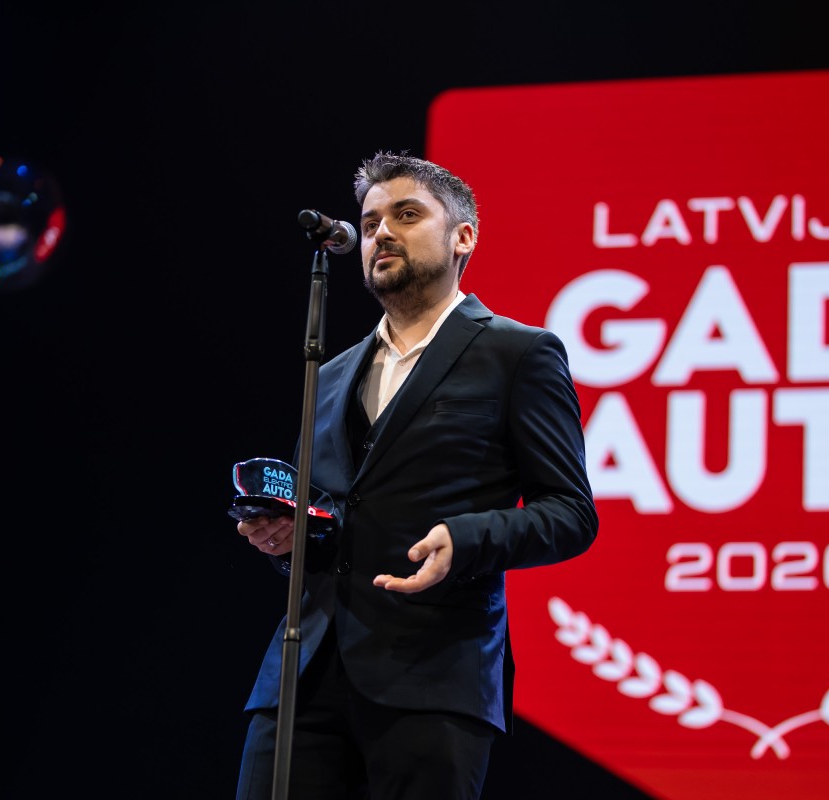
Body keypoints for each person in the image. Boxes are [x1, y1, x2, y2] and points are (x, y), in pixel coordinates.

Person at [234, 151, 598, 800]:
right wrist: (288, 537)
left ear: (464, 237)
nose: (381, 233)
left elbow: (571, 512)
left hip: (435, 674)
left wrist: (466, 537)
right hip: (303, 672)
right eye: (370, 222)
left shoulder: (519, 353)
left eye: (406, 215)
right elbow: (325, 518)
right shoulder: (331, 372)